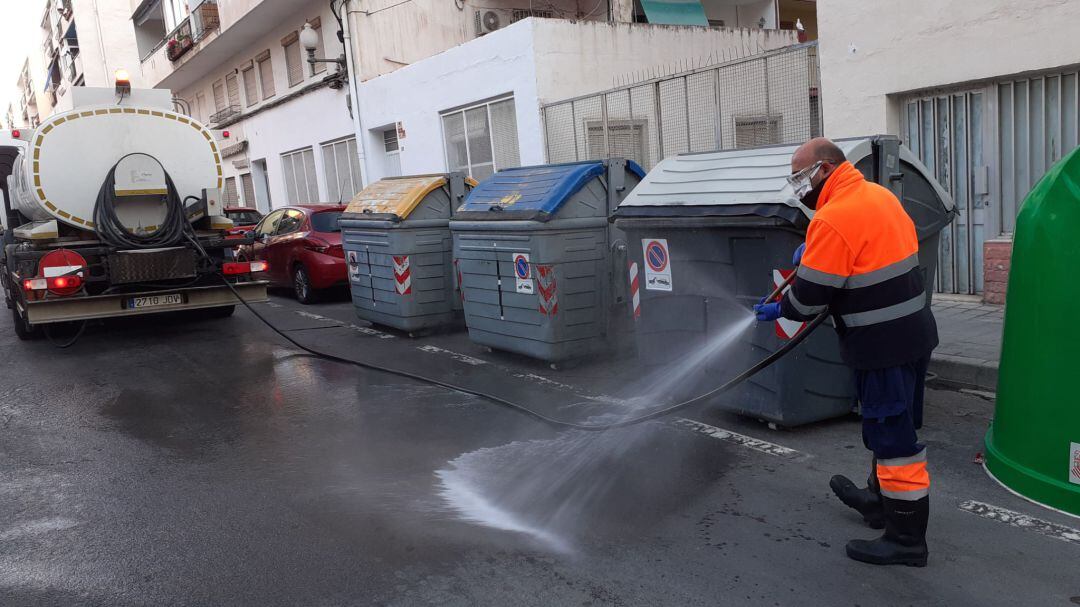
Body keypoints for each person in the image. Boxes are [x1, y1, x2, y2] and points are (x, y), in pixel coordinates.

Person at [753, 138, 938, 567]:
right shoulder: (880, 196)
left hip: (881, 345)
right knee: (892, 426)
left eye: (800, 177)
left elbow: (809, 299)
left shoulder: (833, 218)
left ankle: (907, 539)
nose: (799, 187)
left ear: (824, 169)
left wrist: (780, 307)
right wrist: (815, 254)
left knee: (895, 443)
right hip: (914, 336)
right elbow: (870, 257)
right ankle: (879, 502)